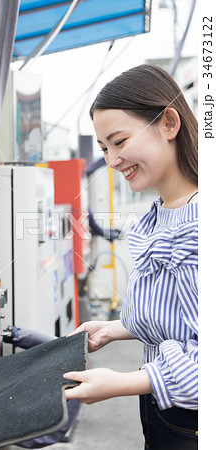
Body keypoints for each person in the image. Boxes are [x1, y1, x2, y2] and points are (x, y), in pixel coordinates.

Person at [63, 64, 198, 449]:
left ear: (169, 123)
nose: (110, 159)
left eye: (119, 141)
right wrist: (114, 329)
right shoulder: (164, 210)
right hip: (163, 406)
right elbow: (183, 316)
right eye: (104, 148)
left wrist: (120, 382)